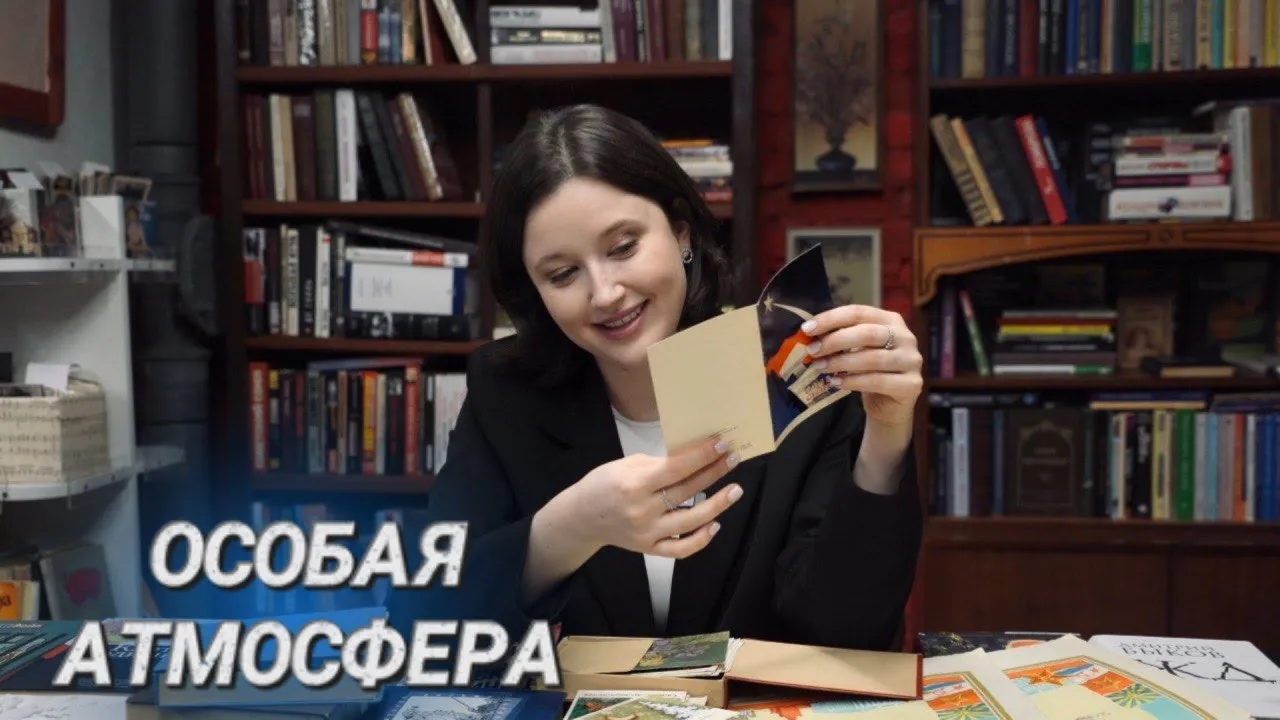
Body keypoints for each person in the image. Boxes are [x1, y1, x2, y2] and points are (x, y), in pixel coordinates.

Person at [387, 104, 923, 661]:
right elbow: (419, 622)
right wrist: (570, 528)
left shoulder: (796, 369)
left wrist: (887, 432)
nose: (605, 294)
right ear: (535, 291)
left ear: (681, 232)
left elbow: (849, 636)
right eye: (563, 274)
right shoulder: (506, 395)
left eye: (624, 248)